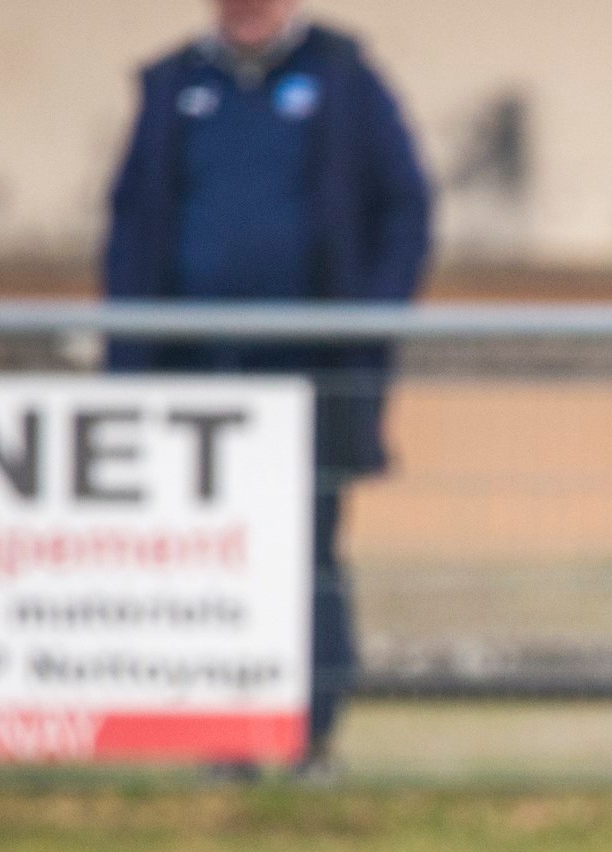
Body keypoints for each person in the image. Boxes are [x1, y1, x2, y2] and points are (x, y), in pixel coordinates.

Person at [103, 0, 433, 769]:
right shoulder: (171, 83)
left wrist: (370, 321)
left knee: (308, 554)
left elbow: (406, 207)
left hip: (312, 377)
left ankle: (308, 737)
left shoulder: (343, 75)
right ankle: (225, 739)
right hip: (193, 378)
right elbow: (129, 224)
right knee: (208, 556)